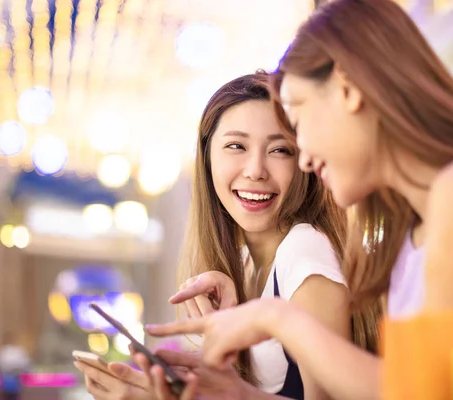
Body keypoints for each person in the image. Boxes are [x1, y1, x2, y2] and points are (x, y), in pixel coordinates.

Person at [145, 1, 453, 399]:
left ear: (347, 88)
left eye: (298, 121)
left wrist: (278, 318)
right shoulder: (419, 228)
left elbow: (423, 393)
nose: (303, 155)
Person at [75, 71, 381, 399]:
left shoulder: (303, 250)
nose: (255, 170)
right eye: (236, 146)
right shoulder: (245, 264)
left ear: (304, 161)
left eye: (280, 150)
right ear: (207, 158)